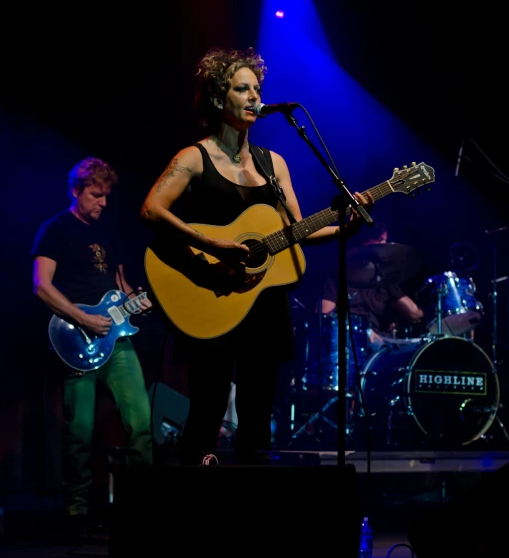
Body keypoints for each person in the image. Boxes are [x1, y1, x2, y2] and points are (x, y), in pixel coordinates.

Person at [140, 46, 374, 465]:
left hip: (263, 303)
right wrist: (214, 247)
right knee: (207, 409)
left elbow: (298, 230)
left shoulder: (273, 164)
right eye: (241, 88)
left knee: (257, 416)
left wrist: (345, 228)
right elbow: (151, 209)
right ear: (217, 98)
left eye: (257, 89)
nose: (253, 97)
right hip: (209, 290)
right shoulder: (193, 157)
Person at [31, 157, 153, 535]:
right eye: (96, 195)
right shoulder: (55, 230)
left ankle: (142, 507)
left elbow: (120, 283)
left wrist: (138, 299)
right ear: (76, 191)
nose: (102, 202)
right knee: (79, 430)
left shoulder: (108, 232)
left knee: (141, 422)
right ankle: (77, 510)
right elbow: (41, 284)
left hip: (116, 341)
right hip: (76, 339)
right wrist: (83, 319)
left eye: (106, 196)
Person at [319, 220, 425, 351]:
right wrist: (363, 331)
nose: (385, 245)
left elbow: (414, 314)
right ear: (366, 243)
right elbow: (324, 315)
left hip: (382, 339)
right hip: (350, 338)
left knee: (415, 349)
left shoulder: (385, 278)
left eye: (385, 240)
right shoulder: (338, 274)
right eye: (380, 241)